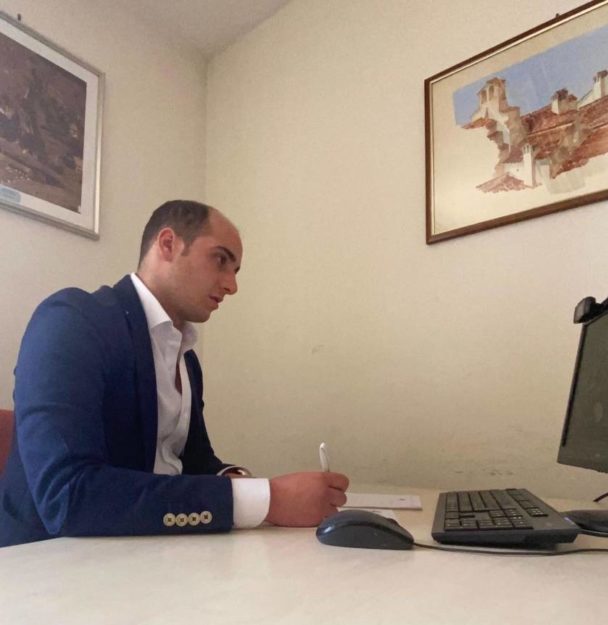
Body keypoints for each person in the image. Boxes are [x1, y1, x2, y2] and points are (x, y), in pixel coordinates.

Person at [0, 200, 349, 548]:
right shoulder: (73, 321)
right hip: (47, 560)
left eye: (236, 270)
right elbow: (67, 495)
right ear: (168, 244)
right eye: (221, 260)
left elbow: (195, 462)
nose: (232, 285)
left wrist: (238, 479)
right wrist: (267, 499)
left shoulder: (186, 359)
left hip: (150, 552)